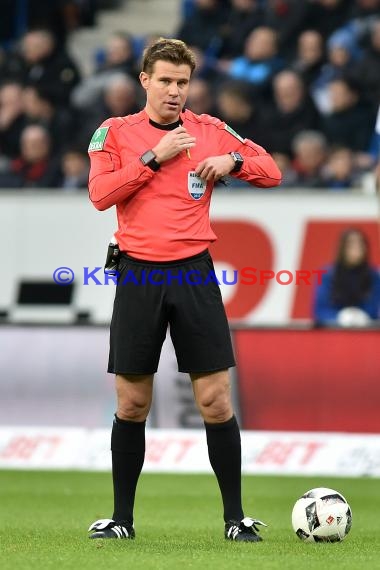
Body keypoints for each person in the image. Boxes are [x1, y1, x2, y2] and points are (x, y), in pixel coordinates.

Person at [87, 37, 281, 543]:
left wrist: (233, 164)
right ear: (144, 81)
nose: (175, 92)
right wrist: (154, 156)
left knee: (215, 401)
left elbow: (273, 170)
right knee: (132, 403)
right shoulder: (114, 133)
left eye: (183, 82)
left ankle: (235, 520)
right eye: (166, 81)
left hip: (193, 271)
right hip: (139, 273)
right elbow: (100, 194)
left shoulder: (212, 131)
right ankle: (122, 520)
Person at [313, 228, 380, 326]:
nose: (356, 249)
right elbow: (320, 310)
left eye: (360, 245)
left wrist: (361, 317)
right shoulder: (327, 275)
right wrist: (339, 317)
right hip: (333, 332)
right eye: (351, 245)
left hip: (365, 331)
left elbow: (374, 308)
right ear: (342, 248)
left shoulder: (374, 276)